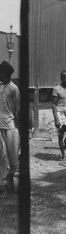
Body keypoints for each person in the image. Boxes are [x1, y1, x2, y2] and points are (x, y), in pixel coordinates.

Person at [0, 61, 20, 194]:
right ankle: (3, 185)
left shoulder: (14, 89)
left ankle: (10, 181)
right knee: (1, 156)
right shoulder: (0, 87)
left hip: (10, 127)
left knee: (12, 157)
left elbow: (18, 109)